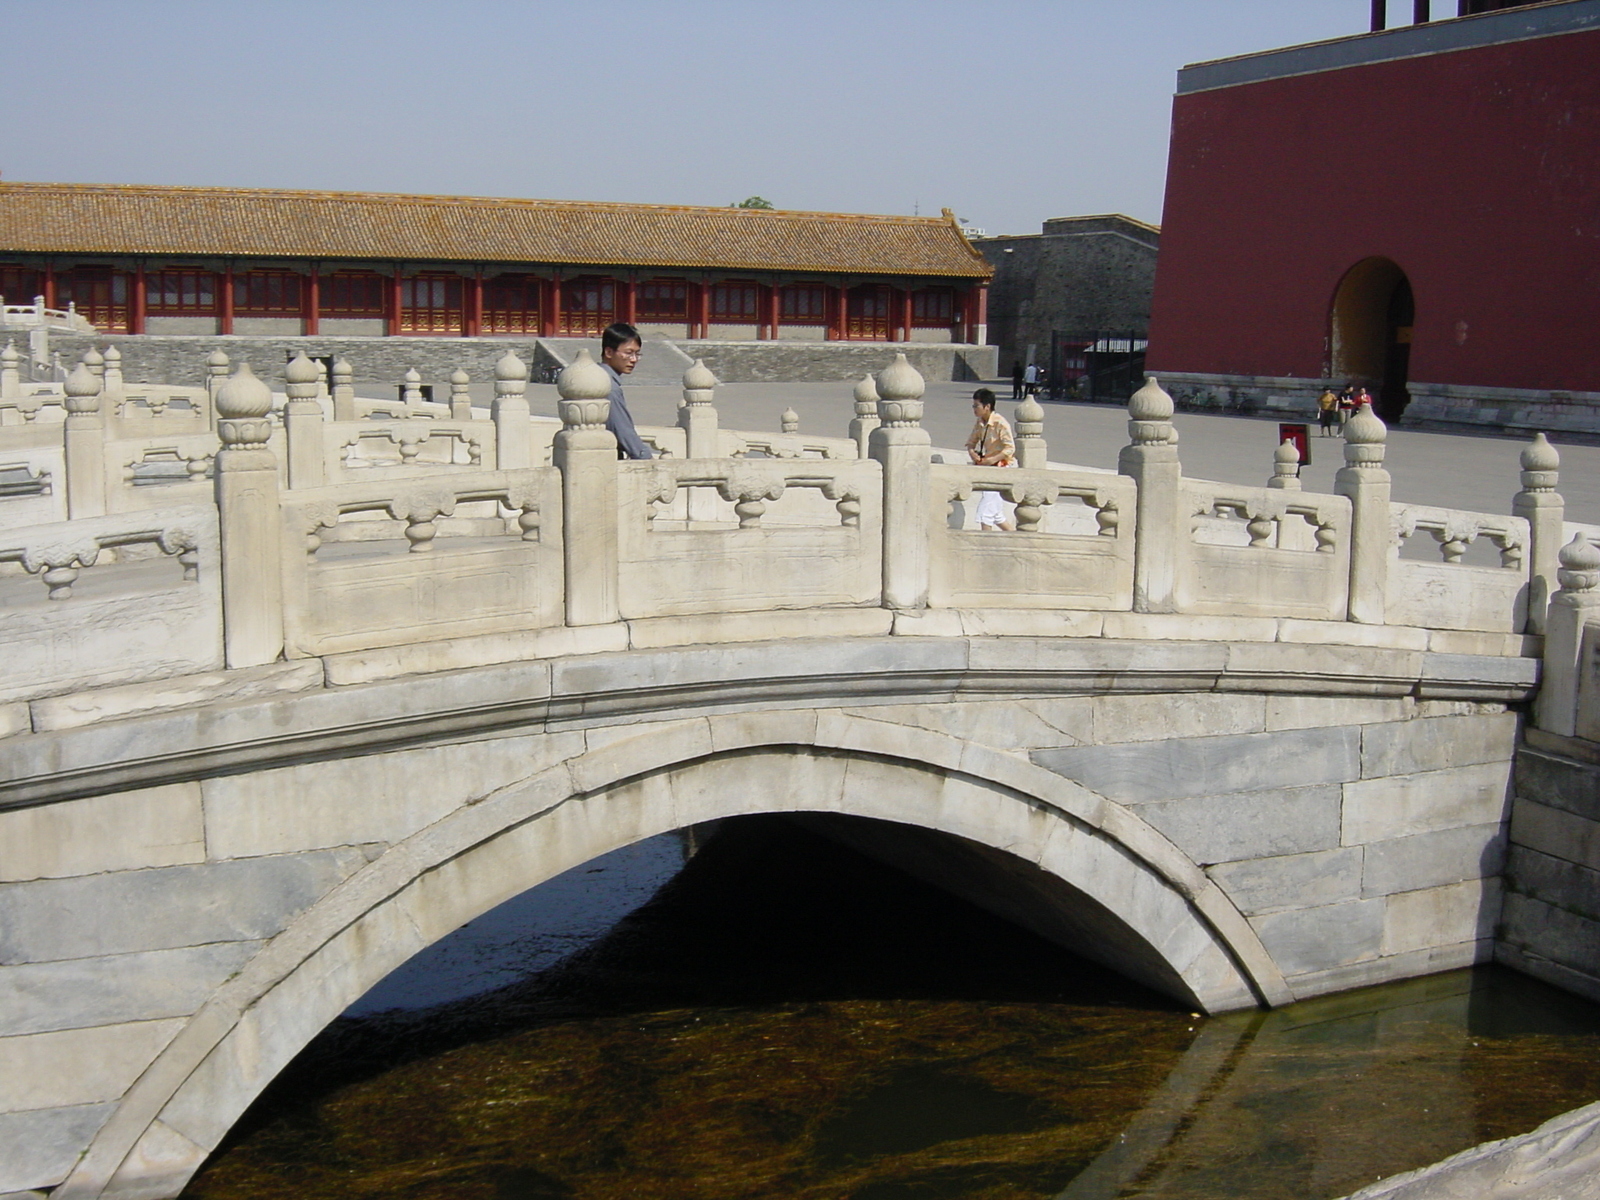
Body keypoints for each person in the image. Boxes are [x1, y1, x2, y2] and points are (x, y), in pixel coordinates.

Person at [965, 388, 1016, 532]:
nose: (974, 409)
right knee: (996, 514)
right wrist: (973, 454)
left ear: (987, 407)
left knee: (985, 511)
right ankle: (1018, 539)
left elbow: (1010, 449)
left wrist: (993, 459)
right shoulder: (979, 423)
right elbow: (970, 443)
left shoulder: (1001, 423)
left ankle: (985, 545)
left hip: (1002, 467)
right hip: (988, 467)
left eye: (977, 406)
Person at [600, 322, 652, 459]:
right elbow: (622, 430)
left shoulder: (597, 376)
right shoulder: (608, 386)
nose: (634, 360)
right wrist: (647, 459)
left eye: (637, 354)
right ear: (609, 352)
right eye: (628, 353)